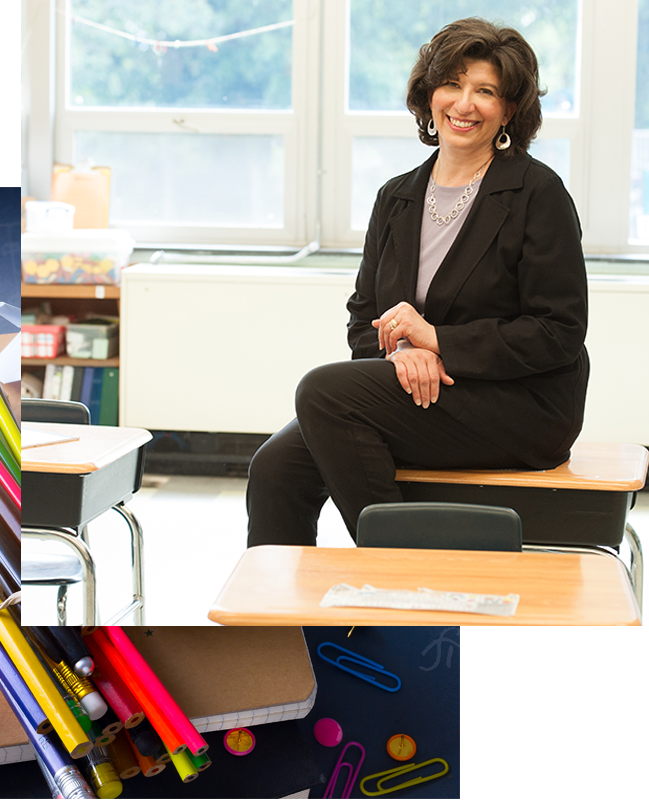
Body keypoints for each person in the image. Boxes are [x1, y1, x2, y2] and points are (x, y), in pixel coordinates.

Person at [246, 17, 589, 548]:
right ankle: (284, 626)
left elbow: (558, 332)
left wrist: (438, 342)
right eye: (452, 84)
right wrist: (404, 352)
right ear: (429, 95)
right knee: (274, 469)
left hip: (518, 404)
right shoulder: (397, 196)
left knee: (322, 391)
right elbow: (364, 317)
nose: (464, 104)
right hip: (418, 392)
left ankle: (400, 575)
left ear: (510, 110)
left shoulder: (536, 194)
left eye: (486, 91)